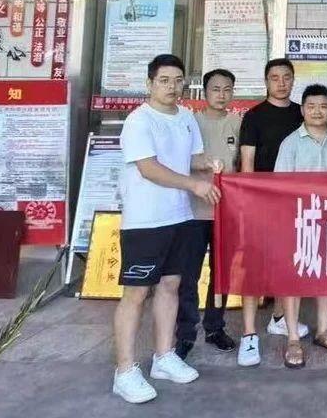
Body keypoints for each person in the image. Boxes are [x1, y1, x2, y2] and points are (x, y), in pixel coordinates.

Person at [112, 54, 221, 404]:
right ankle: (124, 371)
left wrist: (207, 164)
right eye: (164, 80)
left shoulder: (186, 117)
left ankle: (164, 356)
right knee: (135, 294)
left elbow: (190, 158)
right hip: (145, 220)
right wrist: (193, 184)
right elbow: (149, 168)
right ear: (149, 83)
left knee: (171, 286)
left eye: (178, 81)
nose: (172, 87)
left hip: (180, 217)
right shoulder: (139, 121)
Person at [236, 57, 307, 367]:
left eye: (286, 77)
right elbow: (247, 163)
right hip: (262, 202)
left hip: (294, 203)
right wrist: (249, 203)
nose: (281, 82)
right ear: (266, 81)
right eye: (275, 77)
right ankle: (249, 335)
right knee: (254, 268)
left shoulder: (301, 113)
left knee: (288, 264)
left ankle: (279, 318)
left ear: (293, 80)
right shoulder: (253, 117)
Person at [272, 84, 327, 368]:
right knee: (294, 279)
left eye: (323, 106)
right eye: (312, 107)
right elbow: (279, 187)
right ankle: (293, 337)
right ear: (303, 110)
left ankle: (323, 331)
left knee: (326, 275)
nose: (317, 112)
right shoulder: (290, 143)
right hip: (298, 218)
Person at [174, 68, 240, 360]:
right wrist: (203, 166)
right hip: (193, 211)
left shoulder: (238, 123)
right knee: (188, 275)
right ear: (205, 91)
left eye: (227, 89)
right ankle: (185, 334)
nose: (221, 95)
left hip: (226, 212)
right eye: (215, 89)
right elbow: (177, 160)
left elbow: (244, 163)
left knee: (221, 273)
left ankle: (215, 328)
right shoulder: (190, 122)